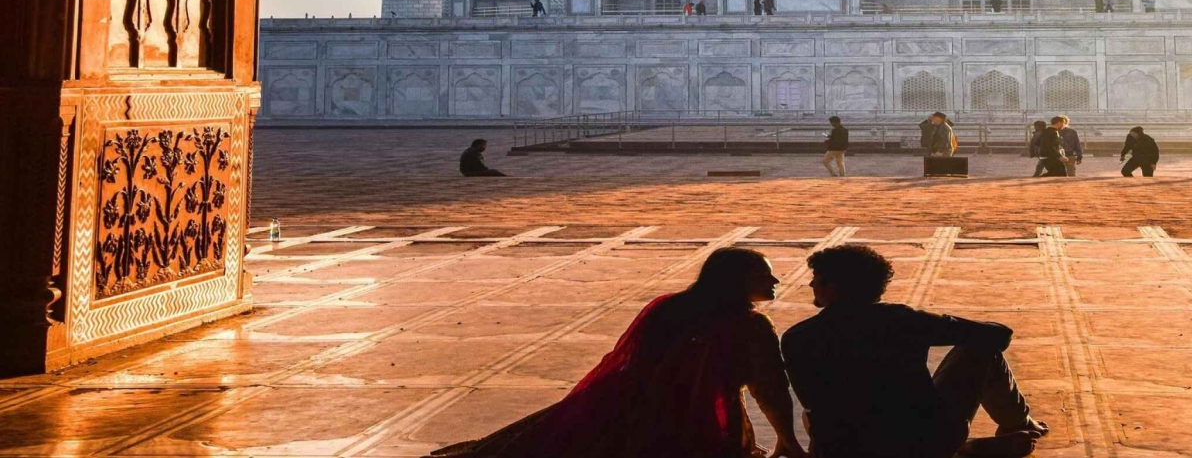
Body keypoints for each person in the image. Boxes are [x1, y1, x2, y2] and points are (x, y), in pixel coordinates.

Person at [434, 248, 807, 458]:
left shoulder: (667, 306)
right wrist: (786, 440)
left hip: (630, 415)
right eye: (764, 276)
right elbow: (770, 388)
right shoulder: (750, 325)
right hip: (697, 425)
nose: (775, 282)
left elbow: (632, 363)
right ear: (737, 283)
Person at [781, 245, 1048, 458]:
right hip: (924, 443)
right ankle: (1016, 424)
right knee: (979, 348)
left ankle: (966, 447)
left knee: (816, 413)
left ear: (832, 288)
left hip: (842, 450)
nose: (810, 285)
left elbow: (813, 402)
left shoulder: (797, 336)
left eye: (815, 279)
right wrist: (940, 324)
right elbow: (998, 335)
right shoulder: (901, 319)